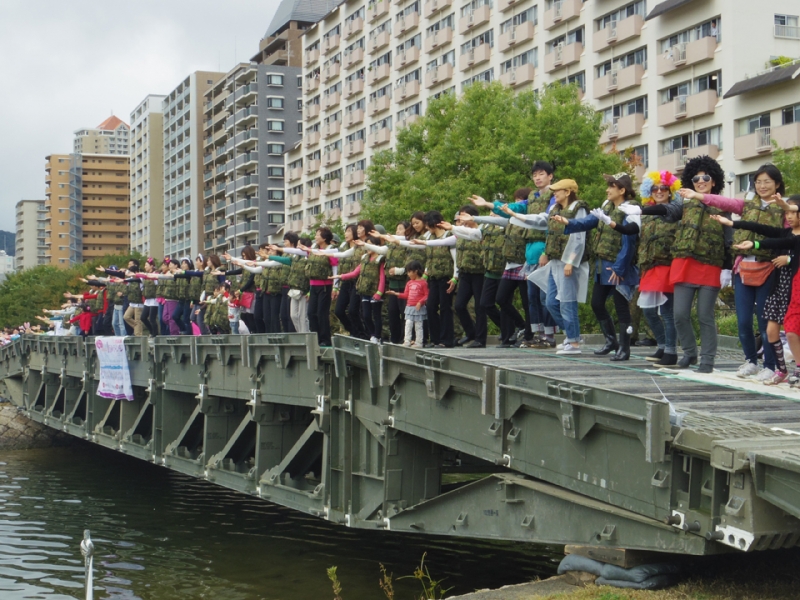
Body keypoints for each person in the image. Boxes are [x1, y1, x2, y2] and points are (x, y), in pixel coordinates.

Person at [681, 164, 786, 381]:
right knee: (743, 320)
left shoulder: (785, 209)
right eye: (758, 181)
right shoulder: (746, 205)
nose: (762, 186)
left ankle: (770, 364)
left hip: (768, 268)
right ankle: (751, 361)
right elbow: (723, 202)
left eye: (767, 181)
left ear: (777, 184)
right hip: (743, 270)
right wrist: (697, 195)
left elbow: (786, 237)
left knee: (765, 321)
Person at [713, 194, 800, 385]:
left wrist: (791, 259)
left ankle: (793, 368)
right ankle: (780, 369)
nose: (789, 216)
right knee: (770, 331)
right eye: (787, 212)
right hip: (780, 288)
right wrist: (736, 228)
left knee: (793, 332)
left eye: (793, 211)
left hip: (796, 289)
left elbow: (794, 249)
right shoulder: (786, 233)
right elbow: (761, 230)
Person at [556, 174, 641, 361]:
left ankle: (625, 348)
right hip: (603, 264)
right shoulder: (607, 206)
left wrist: (619, 268)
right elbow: (590, 222)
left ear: (622, 190)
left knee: (621, 306)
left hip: (620, 265)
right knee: (597, 303)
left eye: (611, 186)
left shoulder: (631, 210)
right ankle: (611, 341)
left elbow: (629, 243)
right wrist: (569, 222)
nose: (607, 189)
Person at [508, 179, 590, 355]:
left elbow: (579, 237)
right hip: (555, 261)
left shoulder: (578, 208)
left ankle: (574, 342)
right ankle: (571, 335)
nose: (554, 194)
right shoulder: (555, 209)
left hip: (568, 262)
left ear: (568, 192)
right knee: (551, 301)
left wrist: (571, 261)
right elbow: (540, 222)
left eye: (557, 191)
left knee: (567, 302)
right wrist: (514, 215)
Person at [671, 155, 732, 373]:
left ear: (714, 180)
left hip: (711, 266)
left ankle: (708, 359)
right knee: (679, 314)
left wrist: (727, 268)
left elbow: (729, 240)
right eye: (696, 179)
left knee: (705, 315)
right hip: (685, 264)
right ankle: (689, 352)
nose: (701, 181)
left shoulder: (723, 207)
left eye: (705, 177)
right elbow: (668, 213)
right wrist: (644, 209)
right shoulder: (684, 204)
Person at [488, 161, 559, 348]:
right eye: (535, 174)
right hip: (530, 252)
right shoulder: (532, 198)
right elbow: (515, 208)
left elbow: (550, 225)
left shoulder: (554, 198)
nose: (537, 177)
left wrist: (546, 251)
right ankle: (536, 334)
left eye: (541, 173)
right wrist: (489, 204)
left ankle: (550, 336)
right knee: (532, 297)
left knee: (545, 297)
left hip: (544, 249)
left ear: (550, 176)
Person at [471, 189, 536, 348]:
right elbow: (492, 221)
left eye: (521, 201)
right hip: (510, 265)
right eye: (516, 201)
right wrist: (473, 217)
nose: (518, 204)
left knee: (528, 303)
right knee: (500, 298)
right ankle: (520, 325)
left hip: (524, 264)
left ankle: (528, 336)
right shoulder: (510, 221)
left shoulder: (528, 220)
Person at [634, 171, 684, 366]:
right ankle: (662, 345)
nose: (660, 191)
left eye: (664, 188)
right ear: (649, 191)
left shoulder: (675, 210)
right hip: (649, 265)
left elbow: (671, 216)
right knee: (648, 311)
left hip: (667, 264)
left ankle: (671, 351)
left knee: (667, 311)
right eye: (655, 188)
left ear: (671, 190)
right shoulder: (646, 213)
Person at [332, 236, 385, 343]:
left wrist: (379, 292)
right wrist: (340, 276)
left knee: (376, 315)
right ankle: (372, 334)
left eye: (370, 244)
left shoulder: (380, 259)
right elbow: (355, 273)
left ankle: (378, 336)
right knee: (366, 316)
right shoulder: (365, 258)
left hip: (375, 292)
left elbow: (382, 277)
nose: (368, 247)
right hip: (364, 291)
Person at [417, 210, 456, 348]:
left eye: (427, 225)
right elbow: (430, 259)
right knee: (431, 306)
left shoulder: (449, 236)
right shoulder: (431, 239)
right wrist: (425, 275)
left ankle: (447, 340)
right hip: (433, 278)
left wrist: (455, 277)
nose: (426, 228)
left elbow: (455, 259)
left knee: (445, 308)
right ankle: (435, 338)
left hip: (446, 278)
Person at [301, 227, 338, 347]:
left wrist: (335, 286)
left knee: (322, 313)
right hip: (313, 286)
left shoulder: (329, 250)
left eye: (318, 235)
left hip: (325, 286)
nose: (316, 237)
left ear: (325, 238)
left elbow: (334, 268)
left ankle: (325, 340)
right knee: (311, 313)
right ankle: (315, 338)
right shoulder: (313, 249)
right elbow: (303, 253)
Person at [386, 260, 428, 347]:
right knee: (408, 324)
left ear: (416, 271)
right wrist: (395, 293)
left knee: (418, 325)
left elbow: (427, 295)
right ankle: (407, 341)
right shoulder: (409, 283)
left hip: (418, 308)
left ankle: (419, 342)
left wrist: (421, 302)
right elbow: (406, 295)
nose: (408, 274)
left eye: (409, 271)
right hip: (409, 307)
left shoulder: (423, 283)